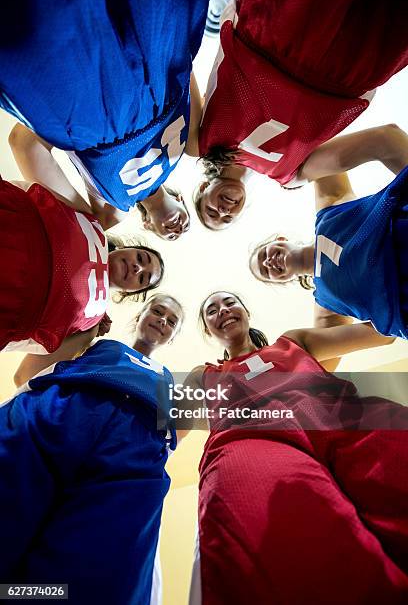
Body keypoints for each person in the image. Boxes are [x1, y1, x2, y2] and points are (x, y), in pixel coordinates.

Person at [181, 291, 408, 604]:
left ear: (246, 311)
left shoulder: (293, 342)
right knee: (291, 544)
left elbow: (382, 336)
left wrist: (336, 279)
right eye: (211, 310)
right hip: (253, 442)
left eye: (229, 302)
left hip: (342, 420)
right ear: (208, 330)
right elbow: (169, 422)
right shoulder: (204, 375)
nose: (222, 311)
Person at [192, 0, 408, 228]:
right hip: (353, 66)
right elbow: (382, 142)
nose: (223, 211)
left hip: (276, 31)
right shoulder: (291, 176)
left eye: (211, 212)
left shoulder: (199, 143)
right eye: (228, 219)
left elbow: (179, 68)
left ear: (203, 188)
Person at [0, 0, 210, 234]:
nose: (177, 230)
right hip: (159, 60)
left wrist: (61, 123)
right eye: (185, 229)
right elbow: (187, 72)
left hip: (100, 104)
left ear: (147, 225)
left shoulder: (112, 210)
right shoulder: (189, 146)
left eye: (170, 237)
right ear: (182, 200)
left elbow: (25, 146)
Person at [0, 337, 178, 605]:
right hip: (64, 407)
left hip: (135, 445)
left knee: (81, 583)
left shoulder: (169, 378)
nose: (163, 320)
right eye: (158, 310)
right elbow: (24, 374)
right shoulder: (101, 342)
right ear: (139, 316)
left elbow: (173, 431)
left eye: (171, 320)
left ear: (172, 337)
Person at [1, 123, 164, 361]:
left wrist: (89, 335)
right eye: (141, 258)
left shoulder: (89, 326)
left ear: (132, 293)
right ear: (127, 247)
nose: (138, 267)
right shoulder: (90, 222)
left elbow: (28, 376)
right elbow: (26, 145)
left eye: (143, 278)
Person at [250, 124, 408, 340]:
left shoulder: (329, 209)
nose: (268, 262)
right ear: (283, 280)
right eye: (266, 271)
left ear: (281, 239)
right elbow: (318, 360)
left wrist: (290, 169)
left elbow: (313, 138)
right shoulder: (326, 304)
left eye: (263, 255)